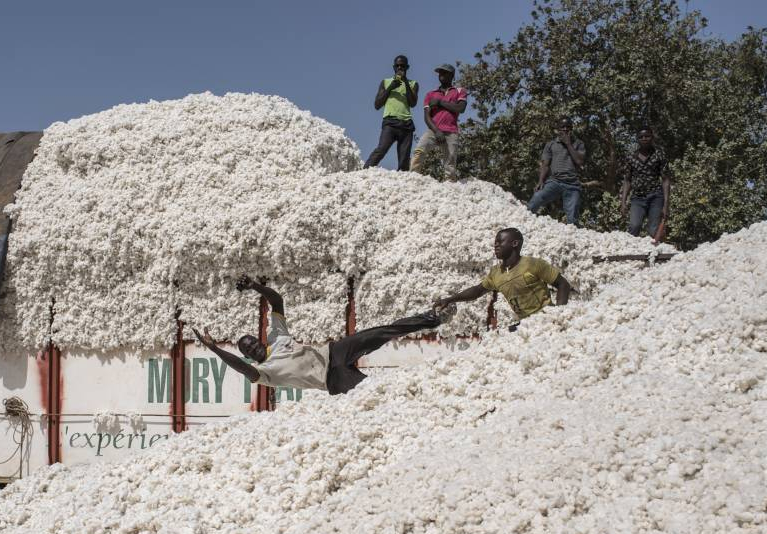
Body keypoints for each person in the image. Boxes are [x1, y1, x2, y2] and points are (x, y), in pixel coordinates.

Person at [192, 276, 453, 396]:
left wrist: (255, 286)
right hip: (332, 379)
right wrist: (215, 349)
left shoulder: (277, 338)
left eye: (253, 342)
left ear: (260, 340)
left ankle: (433, 317)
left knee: (381, 333)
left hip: (334, 352)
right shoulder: (265, 373)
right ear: (248, 357)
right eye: (249, 351)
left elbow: (277, 301)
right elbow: (240, 368)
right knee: (376, 393)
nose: (254, 349)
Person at [434, 228, 572, 326]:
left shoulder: (532, 264)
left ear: (514, 244)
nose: (496, 245)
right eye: (495, 242)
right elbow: (477, 291)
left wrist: (558, 315)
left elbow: (563, 284)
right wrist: (451, 299)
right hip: (526, 325)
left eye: (500, 242)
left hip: (546, 320)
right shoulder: (496, 273)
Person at [411, 64, 467, 180]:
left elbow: (460, 108)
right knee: (419, 151)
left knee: (450, 164)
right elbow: (427, 117)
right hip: (433, 130)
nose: (441, 75)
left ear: (452, 75)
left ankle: (450, 187)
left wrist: (440, 103)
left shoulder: (459, 91)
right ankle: (411, 178)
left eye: (444, 72)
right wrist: (437, 131)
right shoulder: (430, 94)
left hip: (451, 132)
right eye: (440, 73)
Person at [364, 55, 420, 171]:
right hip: (390, 123)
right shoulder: (385, 82)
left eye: (402, 66)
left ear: (407, 67)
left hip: (406, 124)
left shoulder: (413, 84)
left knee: (404, 159)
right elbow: (377, 105)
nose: (400, 68)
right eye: (397, 66)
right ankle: (363, 172)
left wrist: (405, 83)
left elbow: (413, 103)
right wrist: (390, 87)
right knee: (381, 150)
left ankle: (403, 184)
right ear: (394, 67)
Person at [527, 118, 586, 225]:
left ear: (571, 129)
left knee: (572, 220)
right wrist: (540, 181)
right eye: (562, 127)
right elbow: (545, 164)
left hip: (572, 185)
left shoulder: (578, 143)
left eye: (568, 127)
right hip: (555, 181)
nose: (565, 129)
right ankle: (524, 222)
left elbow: (579, 161)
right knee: (537, 197)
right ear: (558, 129)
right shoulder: (551, 144)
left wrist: (568, 144)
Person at [619, 127, 672, 239]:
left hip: (656, 196)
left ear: (652, 137)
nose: (644, 139)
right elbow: (627, 180)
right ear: (637, 139)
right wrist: (623, 202)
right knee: (634, 227)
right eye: (641, 137)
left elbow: (665, 179)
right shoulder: (631, 157)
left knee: (654, 230)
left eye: (647, 136)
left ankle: (655, 254)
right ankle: (631, 254)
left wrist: (666, 204)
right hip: (637, 198)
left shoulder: (659, 154)